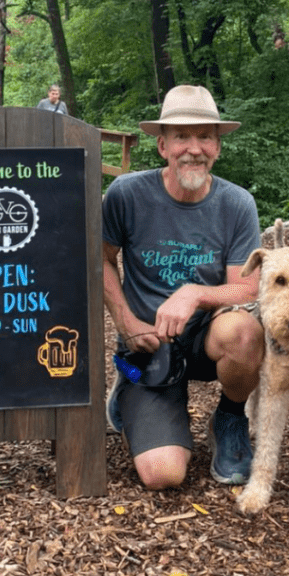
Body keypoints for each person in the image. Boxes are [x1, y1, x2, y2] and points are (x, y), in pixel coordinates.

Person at [102, 85, 264, 491]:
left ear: (218, 147)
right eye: (182, 137)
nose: (194, 148)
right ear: (162, 146)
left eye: (205, 136)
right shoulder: (127, 194)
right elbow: (99, 258)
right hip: (148, 344)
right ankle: (127, 382)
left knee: (245, 332)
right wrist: (125, 321)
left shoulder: (237, 204)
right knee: (163, 476)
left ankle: (230, 416)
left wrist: (194, 292)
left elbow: (246, 290)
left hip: (206, 339)